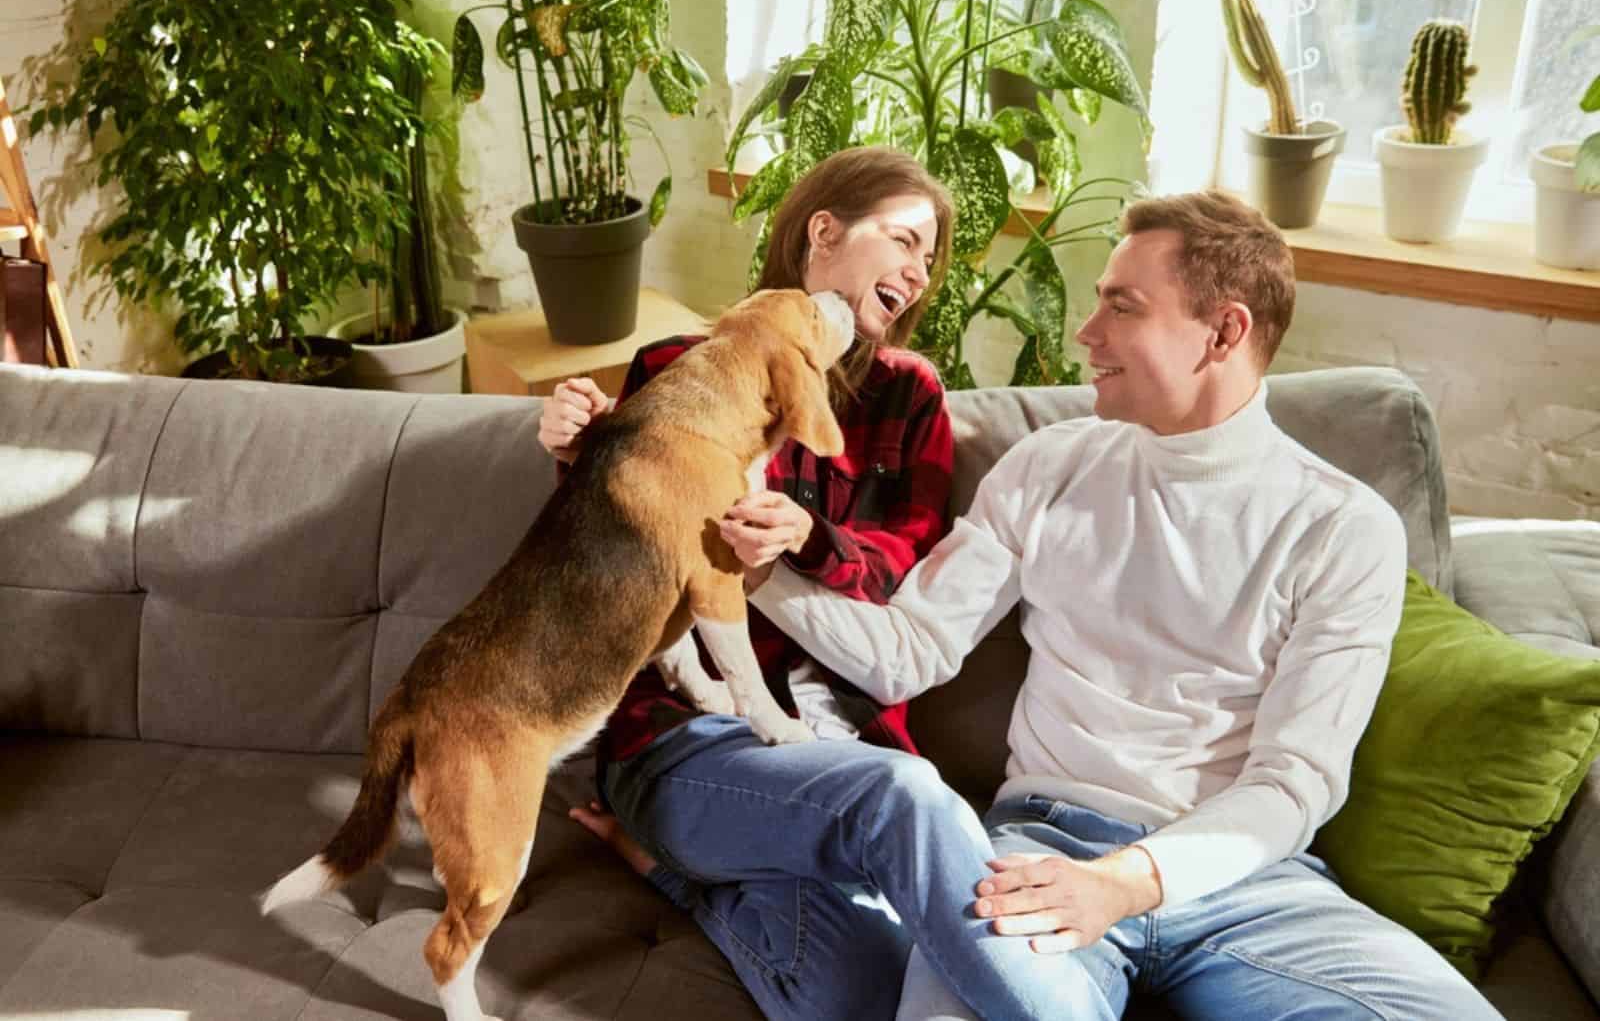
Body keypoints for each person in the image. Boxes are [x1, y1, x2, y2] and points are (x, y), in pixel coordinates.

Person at [742, 190, 1506, 1020]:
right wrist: (751, 572)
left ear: (1224, 332)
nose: (1085, 331)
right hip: (1038, 853)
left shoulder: (1342, 528)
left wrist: (1125, 884)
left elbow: (1294, 783)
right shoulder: (1051, 466)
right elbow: (910, 651)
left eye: (1122, 306)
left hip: (1244, 882)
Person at [539, 145, 985, 1021]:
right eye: (904, 241)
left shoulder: (908, 397)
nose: (920, 272)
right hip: (685, 741)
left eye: (929, 258)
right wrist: (574, 455)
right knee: (901, 797)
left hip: (843, 742)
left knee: (856, 993)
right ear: (824, 233)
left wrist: (807, 539)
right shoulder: (675, 365)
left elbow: (900, 565)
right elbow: (614, 552)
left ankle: (664, 870)